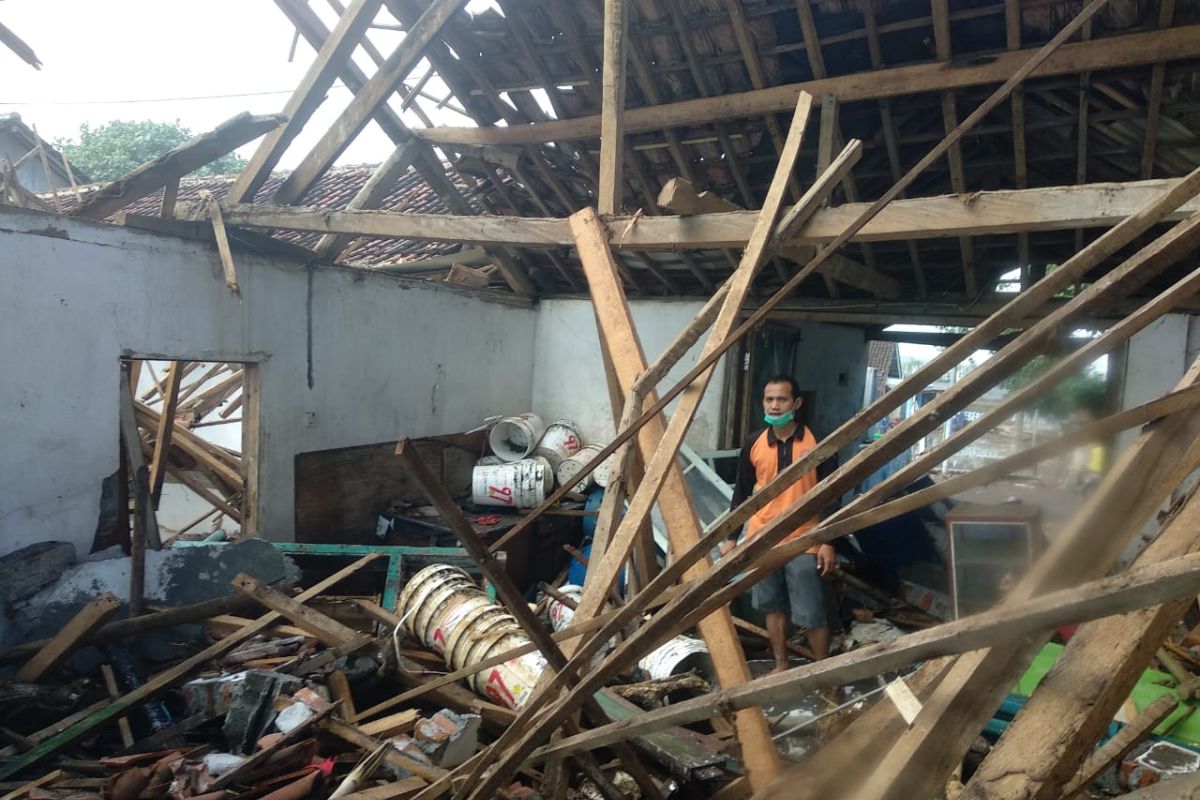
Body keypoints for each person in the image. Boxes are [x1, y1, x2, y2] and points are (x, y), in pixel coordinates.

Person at [722, 374, 836, 671]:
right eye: (769, 399)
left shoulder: (819, 441)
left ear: (796, 403)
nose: (774, 405)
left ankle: (822, 671)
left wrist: (827, 539)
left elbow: (833, 493)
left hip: (805, 538)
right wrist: (731, 537)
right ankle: (780, 665)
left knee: (812, 611)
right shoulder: (754, 443)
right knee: (770, 605)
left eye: (781, 399)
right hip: (762, 537)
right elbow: (742, 492)